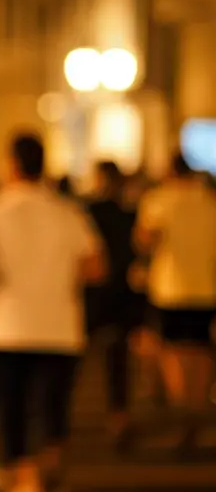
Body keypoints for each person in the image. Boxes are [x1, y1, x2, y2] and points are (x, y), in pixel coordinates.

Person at [0, 134, 104, 492]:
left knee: (12, 409)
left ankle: (23, 477)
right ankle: (49, 467)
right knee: (53, 407)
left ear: (11, 164)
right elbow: (96, 268)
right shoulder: (68, 213)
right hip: (60, 326)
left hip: (8, 327)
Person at [135, 153, 216, 455]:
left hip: (170, 287)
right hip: (207, 286)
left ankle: (183, 410)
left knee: (172, 351)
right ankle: (197, 407)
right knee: (200, 349)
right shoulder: (209, 200)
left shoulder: (158, 200)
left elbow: (144, 240)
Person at [84, 160, 141, 447]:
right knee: (117, 361)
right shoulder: (129, 213)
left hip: (93, 295)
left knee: (79, 357)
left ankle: (63, 422)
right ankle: (119, 416)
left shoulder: (89, 212)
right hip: (122, 294)